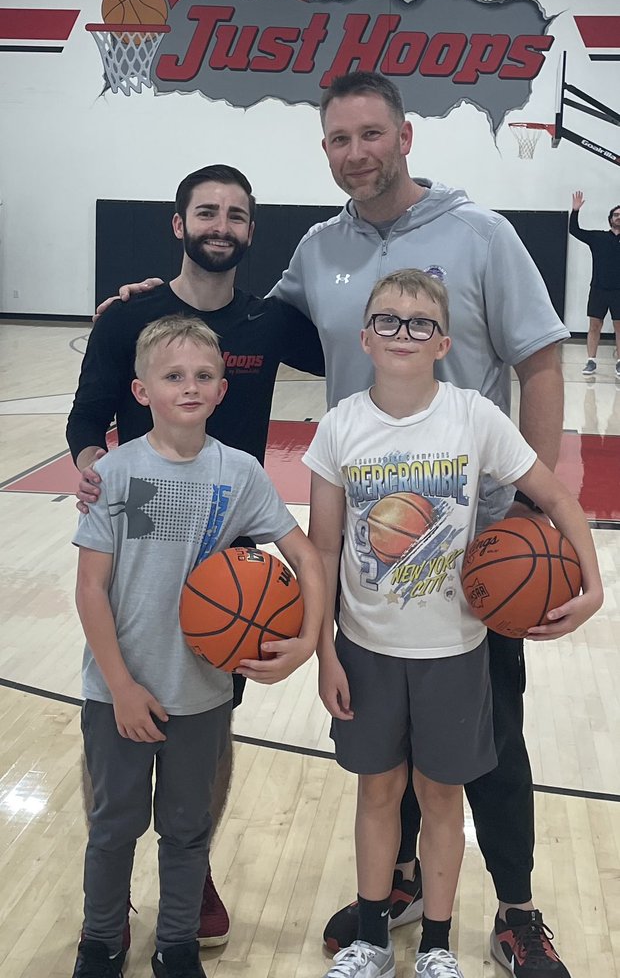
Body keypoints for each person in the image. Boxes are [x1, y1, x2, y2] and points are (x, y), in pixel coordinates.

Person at [110, 72, 579, 976]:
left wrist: (533, 505)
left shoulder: (480, 233)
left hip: (474, 548)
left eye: (371, 134)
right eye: (339, 140)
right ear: (325, 149)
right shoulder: (321, 247)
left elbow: (542, 361)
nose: (356, 152)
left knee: (491, 736)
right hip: (365, 551)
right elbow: (250, 324)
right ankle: (399, 880)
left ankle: (515, 907)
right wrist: (160, 301)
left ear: (405, 137)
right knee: (386, 734)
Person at [304, 269, 602, 978]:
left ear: (442, 341)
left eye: (417, 323)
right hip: (367, 649)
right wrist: (325, 652)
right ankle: (374, 937)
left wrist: (593, 585)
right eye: (387, 320)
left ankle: (437, 943)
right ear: (365, 337)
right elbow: (318, 549)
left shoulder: (473, 416)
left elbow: (556, 494)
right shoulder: (339, 427)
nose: (401, 332)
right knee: (377, 793)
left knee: (441, 798)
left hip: (457, 649)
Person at [67, 163, 324, 947]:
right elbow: (86, 418)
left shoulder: (271, 320)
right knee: (120, 728)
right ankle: (109, 893)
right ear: (178, 224)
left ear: (251, 230)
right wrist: (90, 472)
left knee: (209, 730)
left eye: (236, 215)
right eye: (206, 212)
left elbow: (358, 346)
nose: (221, 225)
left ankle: (192, 858)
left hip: (232, 550)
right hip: (140, 524)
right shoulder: (129, 320)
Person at [569, 191, 620, 377]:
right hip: (598, 288)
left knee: (619, 327)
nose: (619, 217)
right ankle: (591, 361)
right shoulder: (599, 238)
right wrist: (575, 211)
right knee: (594, 326)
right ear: (610, 219)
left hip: (618, 291)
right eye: (616, 215)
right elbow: (575, 231)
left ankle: (619, 363)